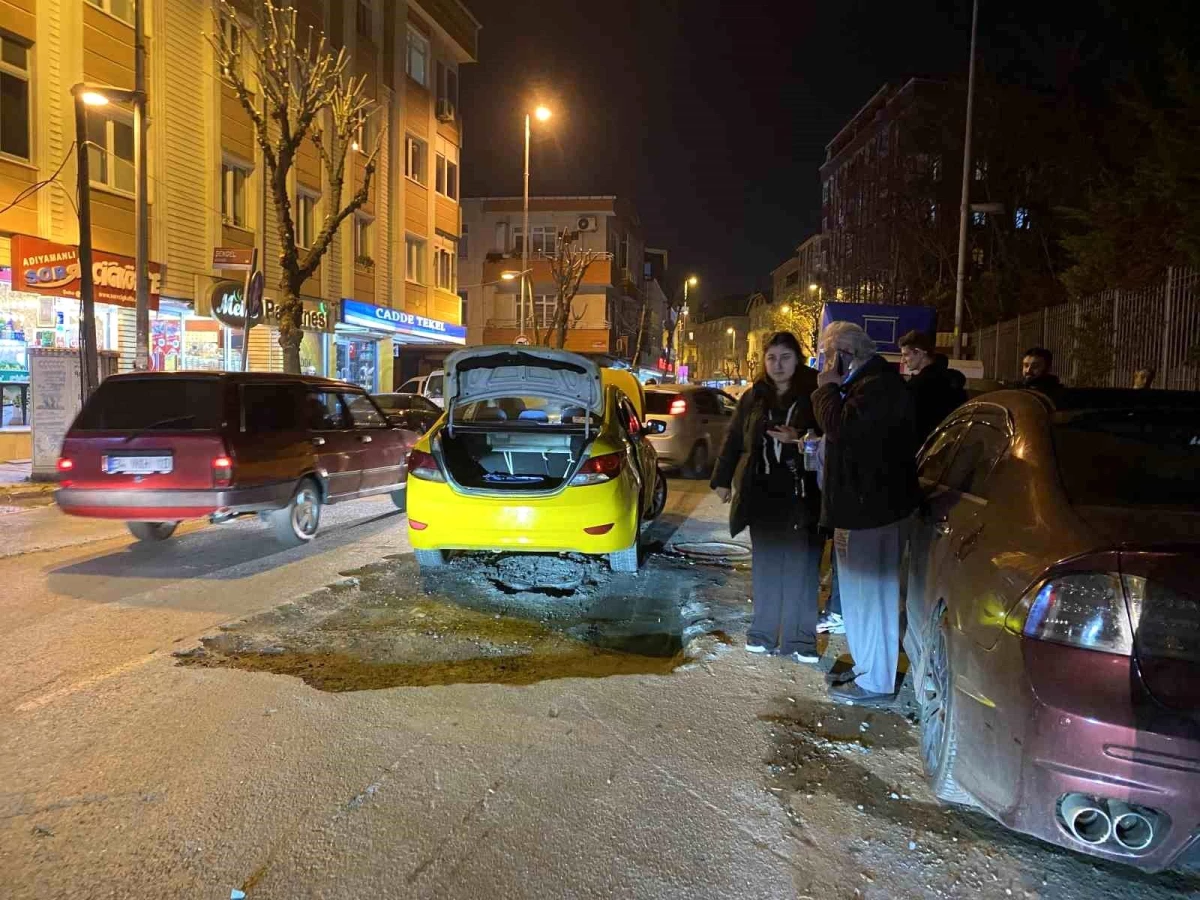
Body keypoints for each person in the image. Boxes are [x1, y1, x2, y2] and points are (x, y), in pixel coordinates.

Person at [812, 322, 920, 704]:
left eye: (829, 353)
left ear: (846, 353)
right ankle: (865, 670)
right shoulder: (864, 384)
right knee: (859, 599)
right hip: (857, 510)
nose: (825, 361)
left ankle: (876, 682)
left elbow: (842, 426)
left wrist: (825, 388)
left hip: (872, 511)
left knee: (873, 600)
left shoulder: (879, 386)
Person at [711, 332, 824, 663]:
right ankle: (762, 633)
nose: (777, 365)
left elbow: (833, 436)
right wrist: (722, 479)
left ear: (798, 359)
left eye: (785, 357)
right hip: (762, 491)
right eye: (771, 357)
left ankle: (800, 640)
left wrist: (800, 437)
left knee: (802, 566)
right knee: (767, 564)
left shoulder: (815, 394)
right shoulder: (754, 397)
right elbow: (734, 437)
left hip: (804, 491)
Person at [898, 330, 968, 442]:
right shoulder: (950, 379)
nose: (902, 360)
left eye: (906, 355)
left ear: (919, 353)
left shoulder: (918, 387)